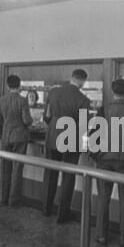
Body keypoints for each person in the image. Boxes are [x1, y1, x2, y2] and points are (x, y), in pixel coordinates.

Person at [92, 78, 124, 247]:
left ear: (112, 91)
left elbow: (94, 136)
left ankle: (101, 235)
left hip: (104, 160)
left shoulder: (103, 110)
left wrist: (95, 156)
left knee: (103, 199)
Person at [42, 69, 90, 222]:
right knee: (68, 177)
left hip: (52, 136)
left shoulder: (53, 92)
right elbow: (83, 125)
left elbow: (47, 116)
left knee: (50, 174)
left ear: (71, 78)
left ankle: (46, 209)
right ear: (82, 81)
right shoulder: (83, 99)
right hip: (71, 138)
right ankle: (62, 214)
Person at [0, 75, 33, 207]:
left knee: (5, 167)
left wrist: (2, 132)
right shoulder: (23, 100)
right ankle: (13, 200)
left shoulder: (1, 100)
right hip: (20, 137)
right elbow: (27, 120)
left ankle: (3, 198)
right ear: (19, 85)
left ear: (7, 86)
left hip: (5, 136)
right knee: (17, 169)